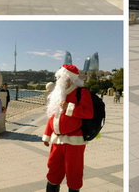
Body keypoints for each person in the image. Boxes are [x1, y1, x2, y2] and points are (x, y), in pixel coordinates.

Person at [43, 64, 93, 192]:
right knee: (53, 169)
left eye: (61, 77)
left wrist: (69, 107)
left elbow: (89, 113)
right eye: (58, 77)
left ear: (70, 79)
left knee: (74, 172)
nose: (59, 80)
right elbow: (52, 116)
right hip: (57, 140)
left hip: (75, 141)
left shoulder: (82, 93)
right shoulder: (58, 94)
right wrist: (47, 135)